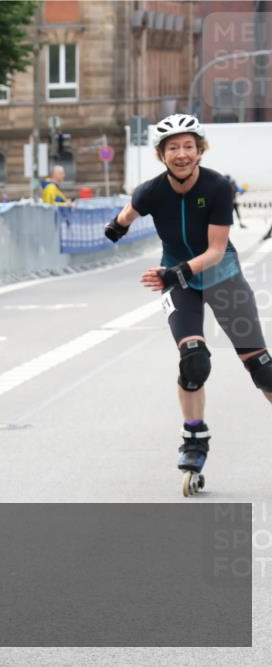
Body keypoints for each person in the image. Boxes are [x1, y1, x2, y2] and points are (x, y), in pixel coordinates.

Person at [104, 114, 272, 497]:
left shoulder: (217, 188)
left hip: (221, 278)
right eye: (173, 148)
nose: (182, 154)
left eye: (188, 146)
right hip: (178, 283)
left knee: (263, 370)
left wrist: (175, 272)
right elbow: (129, 212)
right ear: (162, 155)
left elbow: (215, 251)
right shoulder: (150, 191)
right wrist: (117, 227)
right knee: (194, 361)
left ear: (200, 150)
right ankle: (194, 440)